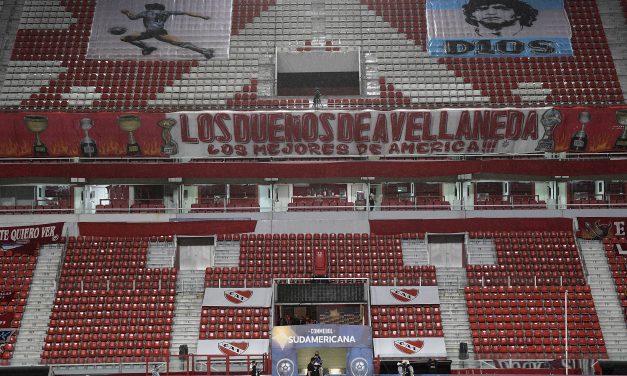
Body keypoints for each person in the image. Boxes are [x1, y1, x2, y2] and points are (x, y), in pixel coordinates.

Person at [120, 3, 215, 59]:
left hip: (149, 33)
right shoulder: (166, 12)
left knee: (124, 38)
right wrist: (202, 16)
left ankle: (145, 46)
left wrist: (127, 13)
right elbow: (186, 12)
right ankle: (204, 51)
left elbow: (132, 17)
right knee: (182, 43)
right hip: (160, 32)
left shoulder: (147, 12)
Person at [462, 0, 538, 37]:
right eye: (482, 8)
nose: (491, 12)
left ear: (519, 13)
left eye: (500, 8)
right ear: (472, 15)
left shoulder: (535, 34)